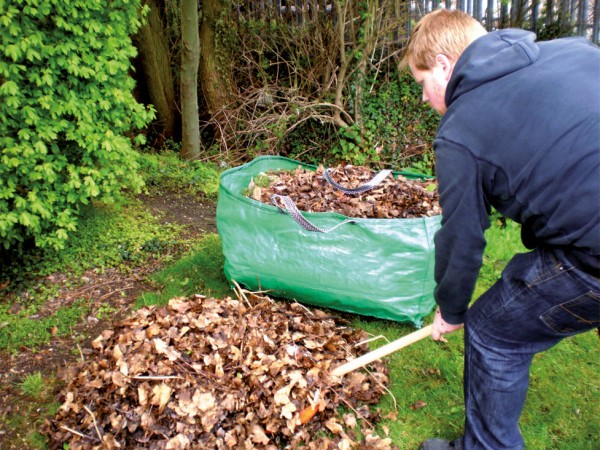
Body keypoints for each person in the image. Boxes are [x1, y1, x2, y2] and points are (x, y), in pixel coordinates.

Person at [400, 9, 600, 450]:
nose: (423, 98)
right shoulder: (572, 50)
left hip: (593, 255)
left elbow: (463, 235)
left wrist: (451, 310)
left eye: (421, 84)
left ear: (444, 65)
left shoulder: (460, 130)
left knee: (493, 331)